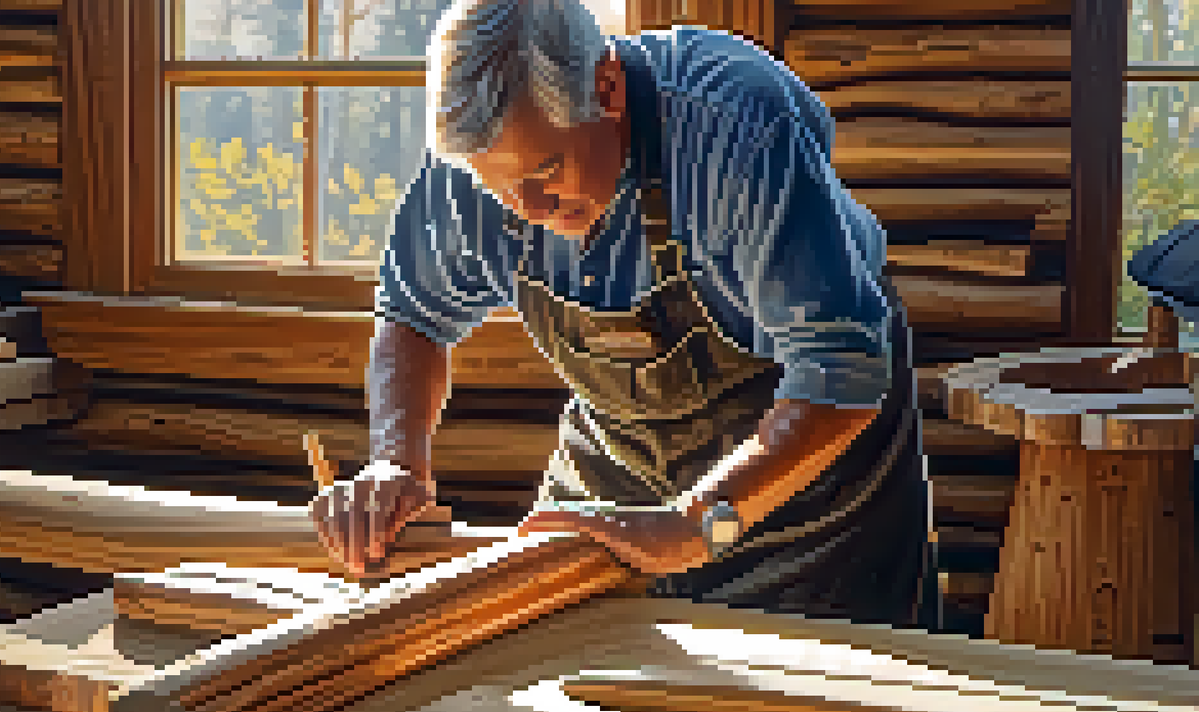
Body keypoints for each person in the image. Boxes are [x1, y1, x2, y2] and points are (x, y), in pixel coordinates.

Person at [310, 0, 938, 629]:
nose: (527, 208)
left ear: (606, 87)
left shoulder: (737, 126)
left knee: (812, 698)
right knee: (549, 650)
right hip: (622, 453)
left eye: (546, 171)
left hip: (809, 474)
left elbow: (840, 370)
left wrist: (694, 525)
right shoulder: (469, 167)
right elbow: (411, 315)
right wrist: (398, 461)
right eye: (499, 188)